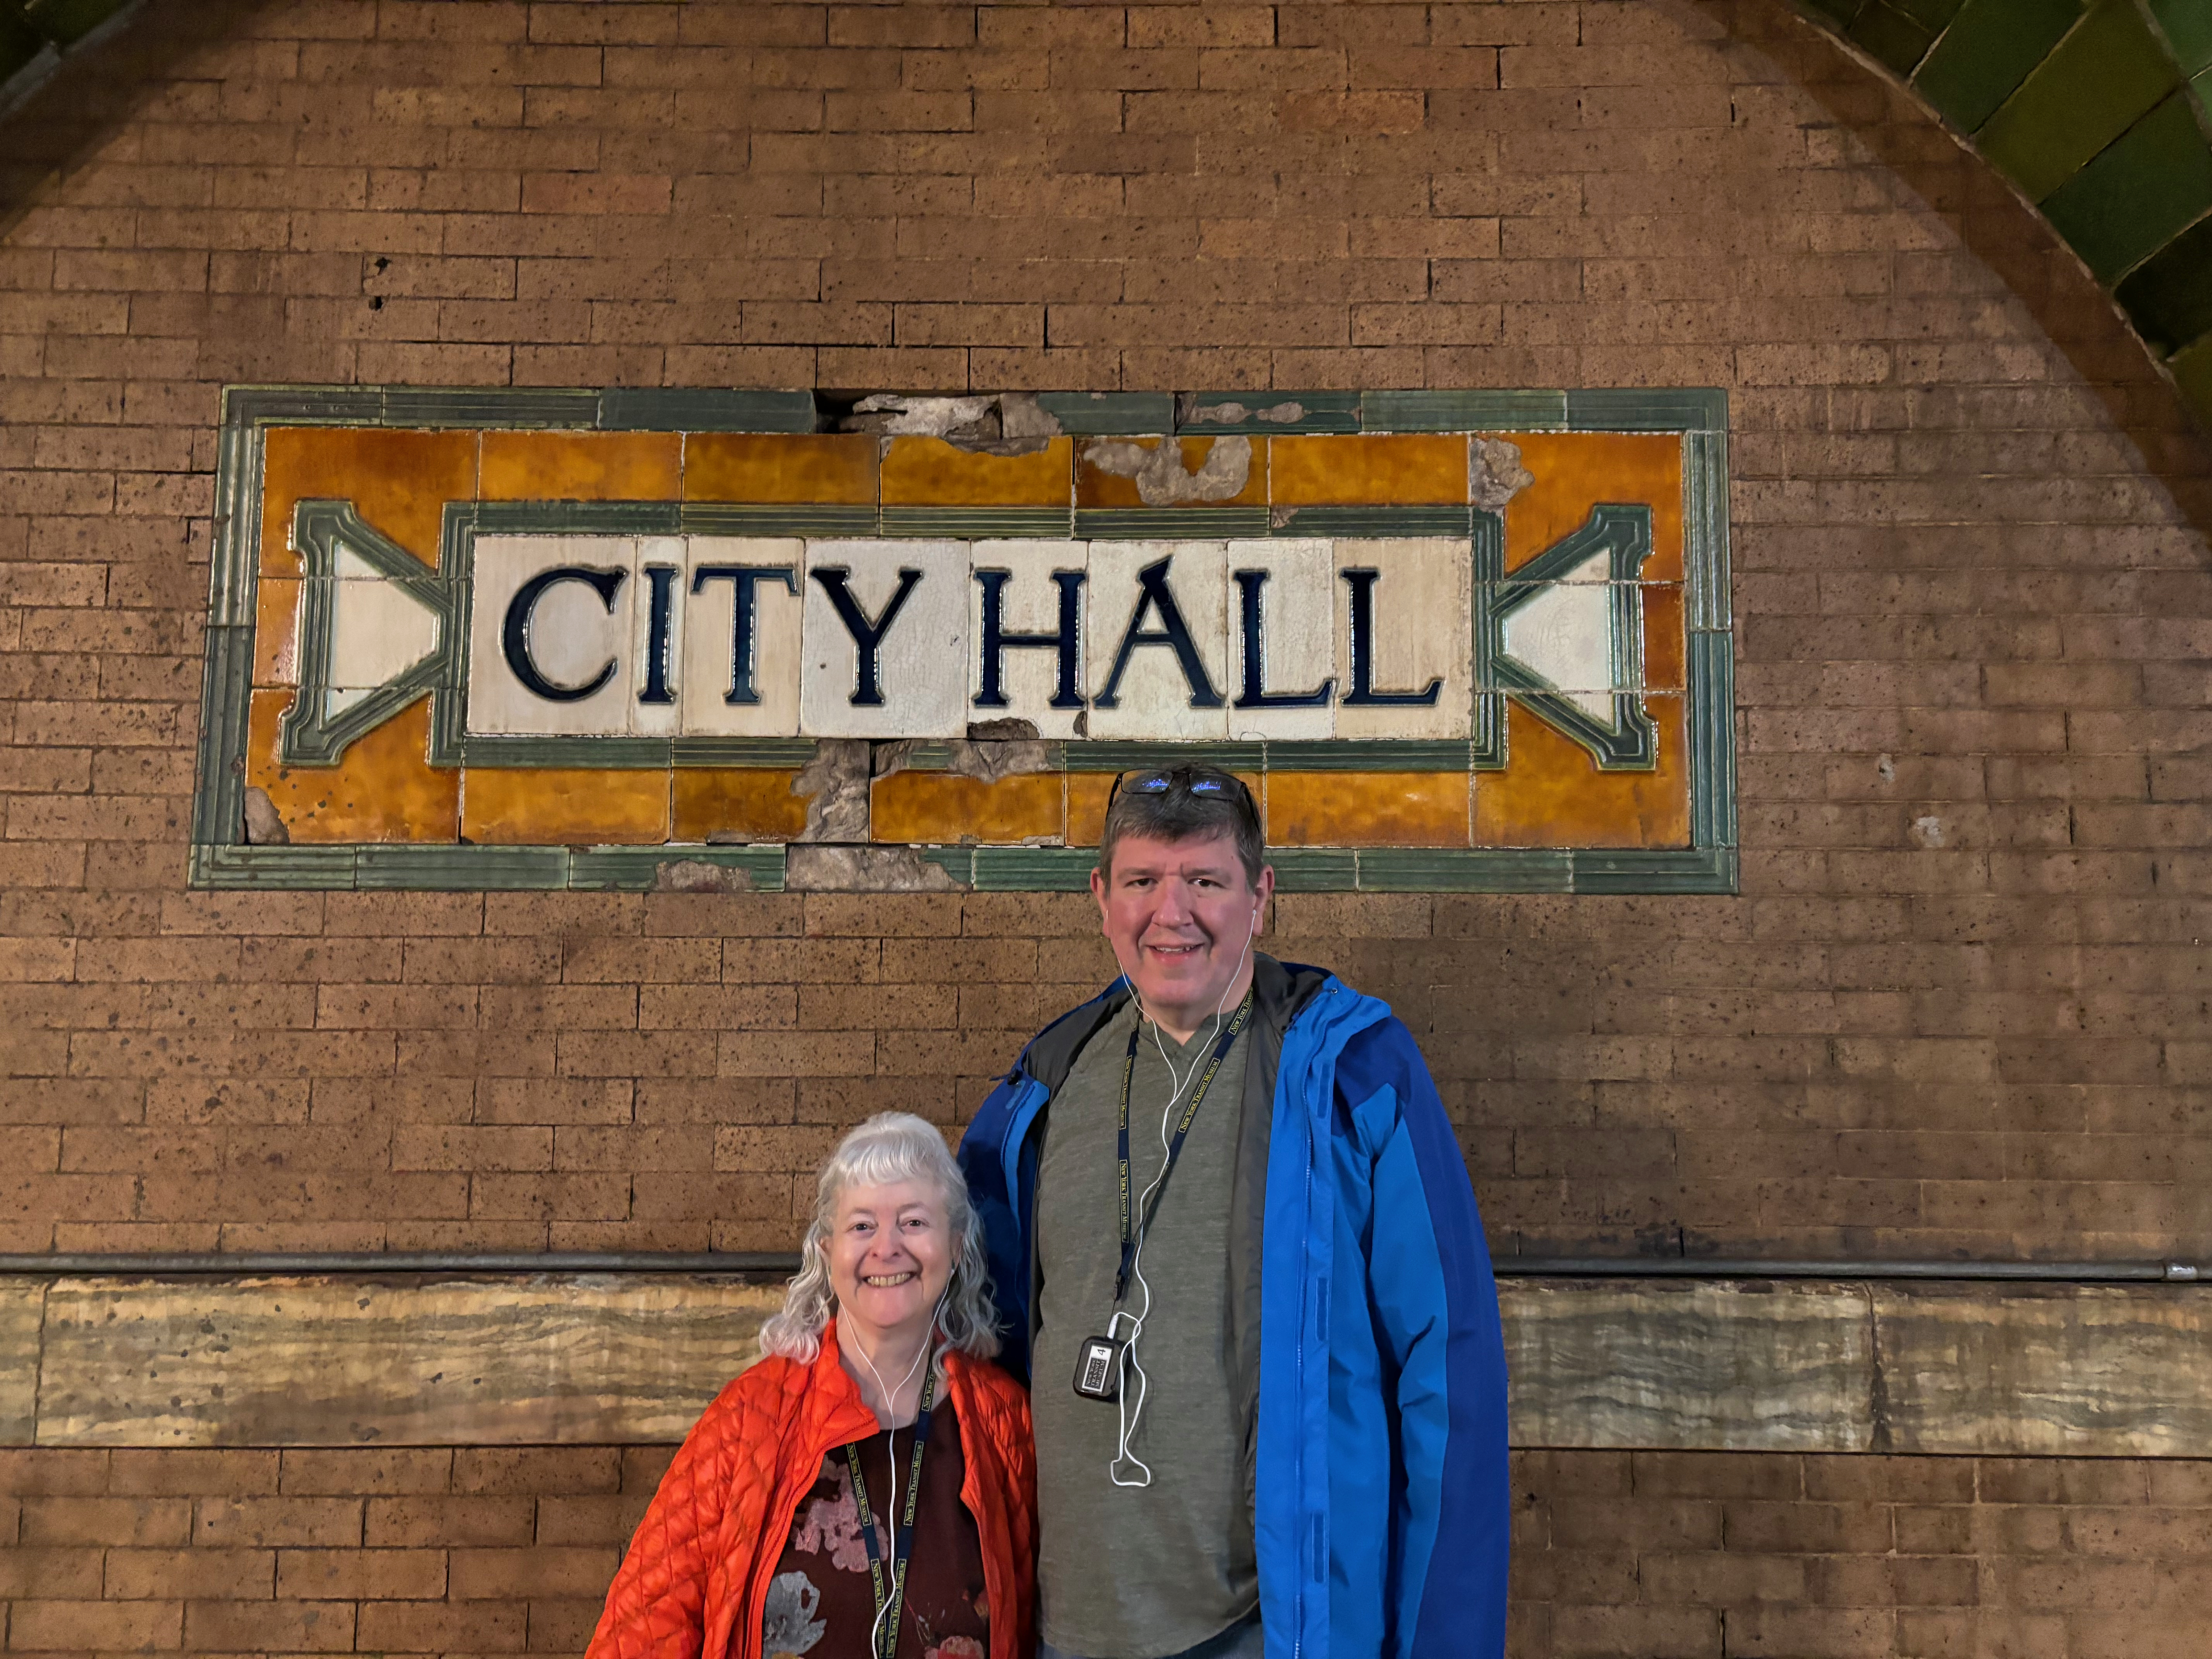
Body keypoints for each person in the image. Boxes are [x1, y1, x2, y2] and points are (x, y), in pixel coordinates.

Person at [958, 766, 1509, 1659]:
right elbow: (956, 1337)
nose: (1171, 914)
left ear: (1260, 897)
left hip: (1274, 1636)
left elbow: (1449, 1373)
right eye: (1142, 881)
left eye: (1206, 882)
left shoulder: (1354, 1076)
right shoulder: (1040, 1092)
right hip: (1068, 1633)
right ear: (1101, 898)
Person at [587, 1112, 1036, 1659]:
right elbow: (643, 1630)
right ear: (827, 1251)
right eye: (862, 1226)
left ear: (958, 1245)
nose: (887, 1247)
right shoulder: (749, 1419)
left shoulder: (1005, 1422)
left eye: (915, 1223)